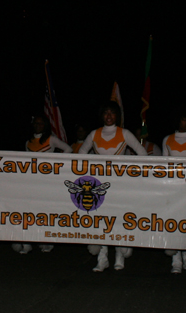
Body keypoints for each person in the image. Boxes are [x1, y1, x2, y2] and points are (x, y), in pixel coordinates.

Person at [78, 101, 147, 271]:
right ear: (102, 116)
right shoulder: (94, 134)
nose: (109, 116)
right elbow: (80, 155)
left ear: (118, 116)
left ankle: (119, 255)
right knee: (100, 221)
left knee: (117, 220)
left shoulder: (124, 133)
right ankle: (102, 258)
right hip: (98, 187)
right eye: (106, 113)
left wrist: (129, 171)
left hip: (120, 186)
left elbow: (142, 153)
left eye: (112, 113)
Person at [14, 115, 72, 254]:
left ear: (45, 125)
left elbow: (68, 149)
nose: (38, 125)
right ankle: (27, 242)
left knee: (45, 213)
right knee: (29, 212)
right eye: (36, 123)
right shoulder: (28, 142)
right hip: (31, 182)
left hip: (47, 183)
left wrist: (54, 164)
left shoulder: (51, 139)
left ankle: (47, 241)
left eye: (41, 123)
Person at [161, 108, 186, 273]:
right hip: (174, 187)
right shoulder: (168, 139)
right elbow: (163, 166)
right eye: (185, 119)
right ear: (178, 120)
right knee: (174, 221)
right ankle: (175, 257)